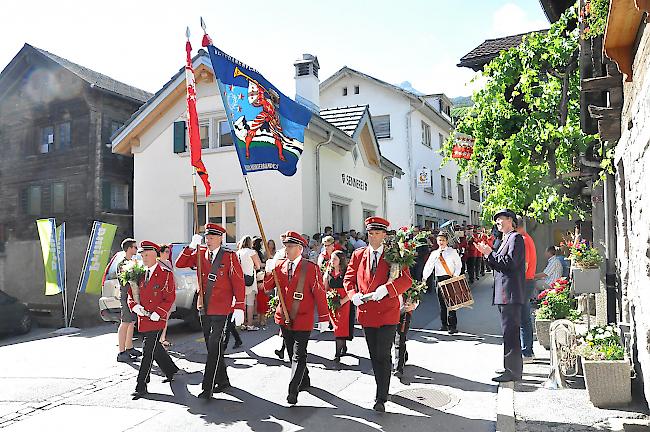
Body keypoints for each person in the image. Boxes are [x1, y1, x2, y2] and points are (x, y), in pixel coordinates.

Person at [345, 217, 413, 412]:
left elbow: (406, 280)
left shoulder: (394, 255)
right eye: (370, 233)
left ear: (384, 235)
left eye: (377, 233)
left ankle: (381, 396)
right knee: (374, 355)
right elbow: (349, 279)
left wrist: (388, 289)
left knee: (383, 354)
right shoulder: (359, 255)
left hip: (387, 312)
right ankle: (381, 386)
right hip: (367, 313)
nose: (373, 237)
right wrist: (353, 295)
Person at [175, 224, 245, 400]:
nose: (209, 240)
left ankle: (208, 387)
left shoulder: (229, 256)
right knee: (212, 346)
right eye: (207, 237)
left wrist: (239, 306)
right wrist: (190, 247)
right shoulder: (199, 254)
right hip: (204, 307)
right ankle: (223, 381)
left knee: (214, 347)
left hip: (222, 309)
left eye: (213, 237)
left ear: (221, 238)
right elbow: (180, 264)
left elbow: (238, 281)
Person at [262, 231, 329, 406]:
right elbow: (267, 288)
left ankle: (293, 390)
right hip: (284, 317)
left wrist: (323, 317)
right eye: (286, 246)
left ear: (299, 248)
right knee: (292, 353)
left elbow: (320, 294)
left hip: (304, 318)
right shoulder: (279, 265)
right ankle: (304, 379)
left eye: (291, 246)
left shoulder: (310, 268)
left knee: (299, 354)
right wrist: (268, 270)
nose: (287, 249)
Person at [129, 241, 187, 399]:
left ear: (155, 255)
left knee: (147, 350)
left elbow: (170, 297)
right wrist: (134, 306)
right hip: (144, 317)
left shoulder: (164, 273)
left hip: (157, 318)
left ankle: (141, 384)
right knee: (154, 348)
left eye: (147, 255)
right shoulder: (138, 273)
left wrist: (159, 313)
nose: (144, 258)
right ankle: (171, 370)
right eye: (142, 255)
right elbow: (131, 294)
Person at [476, 209, 525, 383]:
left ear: (511, 220)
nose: (498, 223)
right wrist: (488, 254)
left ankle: (512, 371)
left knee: (510, 333)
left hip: (510, 294)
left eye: (501, 220)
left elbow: (510, 264)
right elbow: (499, 265)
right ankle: (510, 367)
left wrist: (490, 253)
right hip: (505, 294)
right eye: (497, 221)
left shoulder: (515, 238)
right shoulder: (506, 239)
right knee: (508, 333)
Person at [105, 238, 142, 363]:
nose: (136, 249)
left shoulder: (132, 262)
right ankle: (121, 352)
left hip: (133, 294)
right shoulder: (122, 263)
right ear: (129, 248)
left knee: (131, 322)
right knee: (125, 322)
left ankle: (129, 347)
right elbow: (124, 280)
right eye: (135, 247)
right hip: (126, 295)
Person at [422, 232, 463, 334]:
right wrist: (424, 278)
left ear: (447, 241)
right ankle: (444, 324)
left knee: (452, 303)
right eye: (439, 240)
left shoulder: (452, 252)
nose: (441, 242)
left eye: (443, 240)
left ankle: (453, 326)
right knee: (442, 303)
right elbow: (429, 266)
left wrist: (455, 276)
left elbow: (458, 264)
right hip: (439, 279)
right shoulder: (434, 254)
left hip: (450, 277)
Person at [324, 250, 354, 361]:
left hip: (344, 302)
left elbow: (352, 288)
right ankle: (343, 345)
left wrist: (342, 301)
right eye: (331, 258)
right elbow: (325, 287)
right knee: (338, 328)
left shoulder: (346, 272)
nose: (332, 261)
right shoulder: (329, 271)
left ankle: (337, 354)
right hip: (332, 301)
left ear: (340, 260)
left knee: (340, 327)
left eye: (335, 259)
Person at [516, 216, 537, 362]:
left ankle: (527, 352)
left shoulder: (523, 240)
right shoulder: (527, 238)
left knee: (523, 319)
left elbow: (524, 265)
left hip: (523, 281)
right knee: (525, 318)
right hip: (527, 281)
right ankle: (528, 351)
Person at [237, 235, 262, 330]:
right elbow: (258, 265)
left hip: (240, 280)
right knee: (250, 303)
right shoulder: (251, 252)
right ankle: (250, 324)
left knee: (242, 303)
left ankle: (242, 323)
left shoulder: (238, 253)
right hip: (250, 279)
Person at [157, 244, 175, 349]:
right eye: (166, 252)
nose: (168, 254)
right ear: (161, 252)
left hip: (169, 292)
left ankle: (163, 338)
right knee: (161, 316)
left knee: (167, 317)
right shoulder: (157, 263)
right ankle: (159, 338)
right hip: (161, 294)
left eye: (169, 252)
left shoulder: (168, 263)